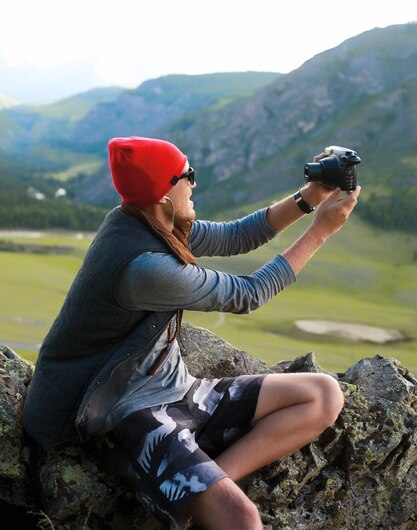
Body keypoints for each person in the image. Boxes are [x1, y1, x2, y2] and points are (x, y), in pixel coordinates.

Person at [23, 136, 361, 530]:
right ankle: (199, 493)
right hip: (128, 411)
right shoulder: (145, 268)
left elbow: (237, 236)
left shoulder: (148, 220)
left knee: (323, 394)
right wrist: (319, 233)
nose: (195, 184)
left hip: (180, 391)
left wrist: (309, 197)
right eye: (188, 176)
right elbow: (247, 294)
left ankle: (208, 482)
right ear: (165, 196)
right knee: (242, 519)